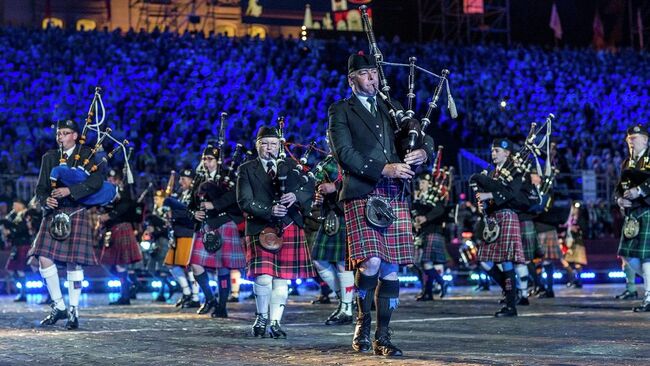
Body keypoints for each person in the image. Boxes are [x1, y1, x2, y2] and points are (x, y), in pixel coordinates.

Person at [328, 52, 433, 356]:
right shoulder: (340, 111)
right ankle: (362, 317)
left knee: (390, 269)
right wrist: (383, 168)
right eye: (365, 73)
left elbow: (422, 135)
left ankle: (382, 336)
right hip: (362, 190)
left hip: (394, 192)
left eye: (374, 72)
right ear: (352, 80)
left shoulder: (392, 107)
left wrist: (422, 152)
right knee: (371, 261)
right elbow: (344, 153)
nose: (372, 78)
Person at [237, 126, 316, 339]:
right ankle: (261, 316)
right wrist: (269, 210)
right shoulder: (247, 168)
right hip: (261, 226)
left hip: (289, 224)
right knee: (263, 277)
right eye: (264, 143)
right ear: (257, 145)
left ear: (279, 145)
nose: (269, 148)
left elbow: (310, 186)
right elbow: (244, 200)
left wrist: (295, 196)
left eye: (273, 143)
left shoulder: (292, 166)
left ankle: (275, 321)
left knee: (282, 279)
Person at [29, 119, 103, 330]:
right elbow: (41, 188)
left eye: (65, 133)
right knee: (43, 257)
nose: (60, 137)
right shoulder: (50, 157)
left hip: (77, 210)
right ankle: (59, 305)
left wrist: (71, 191)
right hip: (54, 212)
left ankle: (73, 310)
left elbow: (96, 182)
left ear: (75, 135)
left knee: (74, 262)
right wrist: (46, 200)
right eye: (58, 133)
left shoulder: (88, 155)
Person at [472, 138, 526, 318]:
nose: (493, 154)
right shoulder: (492, 173)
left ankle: (511, 306)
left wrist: (489, 194)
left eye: (497, 151)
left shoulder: (516, 172)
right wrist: (483, 204)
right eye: (492, 150)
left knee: (506, 262)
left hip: (507, 216)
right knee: (484, 260)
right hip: (493, 218)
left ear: (507, 153)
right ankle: (511, 289)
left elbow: (512, 194)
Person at [310, 154, 355, 325]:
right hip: (330, 215)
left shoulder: (352, 158)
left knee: (343, 263)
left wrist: (335, 187)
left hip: (347, 213)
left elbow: (360, 181)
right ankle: (345, 300)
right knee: (319, 260)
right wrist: (318, 193)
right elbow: (316, 182)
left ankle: (347, 310)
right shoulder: (327, 162)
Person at [615, 124, 650, 312]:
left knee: (647, 257)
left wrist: (640, 190)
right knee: (627, 254)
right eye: (629, 140)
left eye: (634, 139)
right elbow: (617, 188)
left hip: (647, 209)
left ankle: (649, 296)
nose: (631, 143)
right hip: (632, 214)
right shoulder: (626, 162)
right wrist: (620, 200)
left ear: (645, 139)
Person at [98, 169, 143, 305]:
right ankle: (130, 284)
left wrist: (109, 215)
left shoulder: (124, 193)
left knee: (120, 264)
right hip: (112, 230)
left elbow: (126, 206)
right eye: (109, 180)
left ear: (119, 181)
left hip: (122, 227)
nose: (110, 182)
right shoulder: (108, 194)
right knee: (109, 263)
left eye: (113, 180)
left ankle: (125, 296)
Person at [163, 169, 200, 309]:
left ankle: (195, 297)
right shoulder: (179, 194)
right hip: (177, 233)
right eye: (181, 179)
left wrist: (173, 215)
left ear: (192, 181)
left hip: (188, 233)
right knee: (171, 264)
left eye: (184, 179)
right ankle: (186, 292)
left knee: (190, 267)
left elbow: (190, 214)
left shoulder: (194, 195)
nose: (181, 181)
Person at [1, 198, 32, 302]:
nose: (13, 207)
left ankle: (23, 293)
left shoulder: (25, 214)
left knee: (21, 270)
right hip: (17, 245)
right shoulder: (14, 216)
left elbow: (23, 229)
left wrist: (10, 232)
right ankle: (22, 292)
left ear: (21, 205)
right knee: (12, 269)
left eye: (15, 204)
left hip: (24, 245)